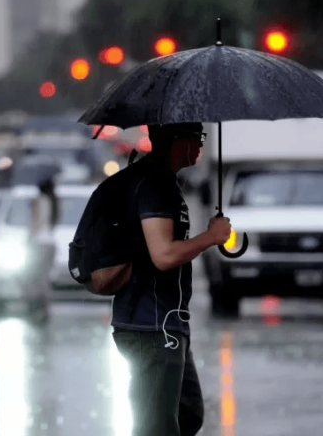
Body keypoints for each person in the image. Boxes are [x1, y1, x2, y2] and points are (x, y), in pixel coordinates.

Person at [111, 122, 232, 436]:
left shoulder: (167, 184)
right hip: (150, 326)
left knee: (187, 413)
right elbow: (163, 256)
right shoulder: (154, 186)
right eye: (197, 137)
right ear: (178, 141)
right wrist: (209, 237)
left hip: (167, 322)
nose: (201, 145)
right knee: (158, 426)